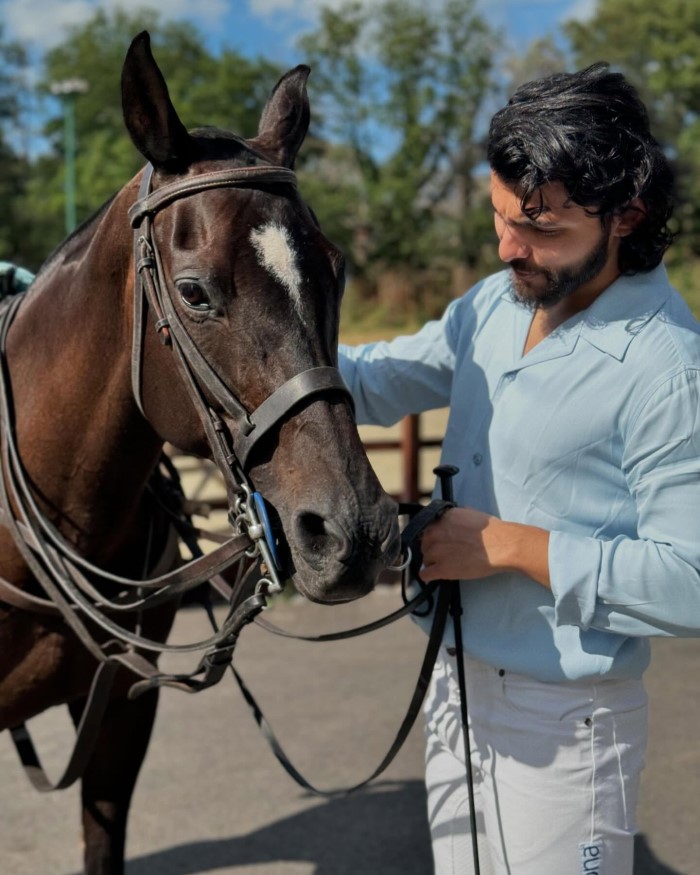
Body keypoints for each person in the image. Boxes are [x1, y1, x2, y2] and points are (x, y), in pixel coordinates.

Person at [339, 63, 700, 875]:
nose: (510, 247)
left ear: (626, 214)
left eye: (541, 229)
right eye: (503, 217)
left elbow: (692, 577)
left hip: (568, 723)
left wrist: (507, 545)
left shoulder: (668, 367)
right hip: (454, 684)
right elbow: (371, 379)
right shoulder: (493, 305)